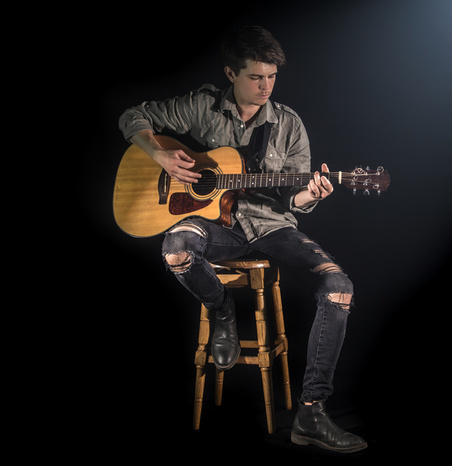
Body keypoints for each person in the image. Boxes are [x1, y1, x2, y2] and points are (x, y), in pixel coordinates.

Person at [118, 26, 366, 453]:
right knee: (177, 250)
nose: (265, 86)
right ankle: (222, 309)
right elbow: (132, 116)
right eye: (255, 77)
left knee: (339, 288)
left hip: (272, 226)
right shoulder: (202, 106)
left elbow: (296, 195)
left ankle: (311, 412)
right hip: (217, 229)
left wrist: (313, 191)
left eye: (271, 77)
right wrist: (157, 153)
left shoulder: (289, 124)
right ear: (231, 73)